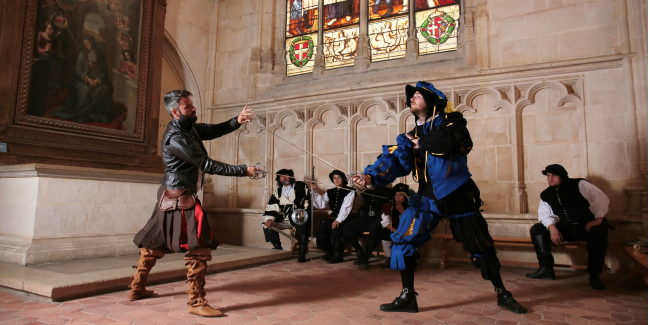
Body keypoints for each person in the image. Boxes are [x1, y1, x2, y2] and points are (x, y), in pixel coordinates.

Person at [353, 81, 527, 314]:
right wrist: (369, 176)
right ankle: (407, 296)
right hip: (427, 197)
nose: (412, 98)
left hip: (458, 193)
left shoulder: (452, 122)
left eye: (417, 95)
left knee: (480, 245)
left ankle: (502, 293)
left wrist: (420, 143)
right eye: (411, 96)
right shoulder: (410, 135)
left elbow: (456, 143)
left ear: (432, 101)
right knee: (404, 237)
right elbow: (395, 161)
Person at [130, 89, 259, 318]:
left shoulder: (187, 127)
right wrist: (244, 170)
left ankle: (137, 287)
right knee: (198, 246)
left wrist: (235, 121)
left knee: (154, 242)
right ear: (175, 112)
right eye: (188, 107)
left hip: (173, 194)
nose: (194, 108)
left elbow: (212, 130)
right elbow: (207, 165)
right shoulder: (177, 138)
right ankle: (196, 302)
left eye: (192, 104)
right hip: (180, 197)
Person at [526, 164, 611, 290]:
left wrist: (598, 220)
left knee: (599, 231)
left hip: (586, 227)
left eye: (554, 175)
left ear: (562, 176)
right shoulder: (546, 194)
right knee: (537, 229)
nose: (550, 178)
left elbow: (599, 197)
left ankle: (594, 275)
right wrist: (552, 228)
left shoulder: (579, 184)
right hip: (568, 229)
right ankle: (546, 269)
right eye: (548, 176)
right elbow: (545, 214)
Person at [52, 35, 115, 124]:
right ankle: (82, 114)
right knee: (84, 90)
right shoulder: (82, 55)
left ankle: (98, 113)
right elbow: (78, 71)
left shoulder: (100, 55)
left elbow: (104, 71)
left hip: (97, 79)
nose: (87, 45)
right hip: (83, 80)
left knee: (105, 90)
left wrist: (97, 81)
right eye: (85, 44)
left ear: (92, 42)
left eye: (88, 43)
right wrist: (87, 79)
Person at [261, 169, 312, 262]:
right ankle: (278, 249)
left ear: (291, 176)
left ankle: (302, 253)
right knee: (266, 224)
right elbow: (272, 206)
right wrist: (270, 219)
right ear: (279, 179)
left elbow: (306, 201)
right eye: (281, 176)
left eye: (286, 175)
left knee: (302, 223)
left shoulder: (300, 186)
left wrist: (300, 214)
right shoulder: (278, 192)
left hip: (299, 216)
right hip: (285, 218)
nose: (284, 178)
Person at [311, 170, 356, 263]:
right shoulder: (330, 192)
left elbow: (346, 208)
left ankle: (338, 255)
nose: (336, 180)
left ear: (343, 179)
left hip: (345, 219)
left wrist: (339, 220)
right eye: (334, 178)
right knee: (320, 232)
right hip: (333, 218)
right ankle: (329, 251)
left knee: (336, 230)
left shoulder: (350, 191)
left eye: (339, 177)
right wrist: (315, 191)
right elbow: (321, 204)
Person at [343, 186, 391, 269]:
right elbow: (360, 203)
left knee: (374, 229)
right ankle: (360, 252)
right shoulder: (365, 191)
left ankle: (365, 257)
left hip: (378, 217)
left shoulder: (386, 191)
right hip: (365, 217)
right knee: (348, 227)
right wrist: (360, 191)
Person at [379, 183, 413, 268]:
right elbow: (385, 222)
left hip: (408, 229)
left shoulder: (411, 206)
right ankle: (390, 257)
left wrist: (403, 212)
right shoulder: (389, 206)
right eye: (396, 195)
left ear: (405, 196)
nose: (397, 197)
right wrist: (396, 231)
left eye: (401, 195)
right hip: (395, 228)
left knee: (410, 235)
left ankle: (409, 258)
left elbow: (412, 222)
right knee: (384, 232)